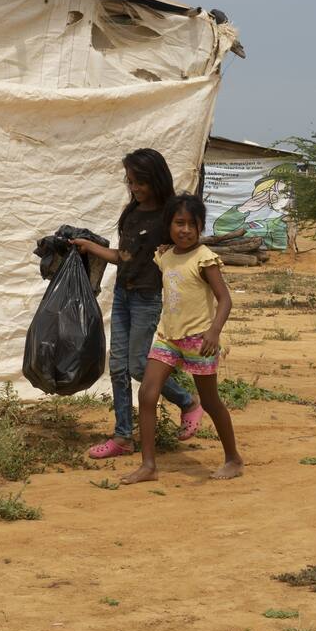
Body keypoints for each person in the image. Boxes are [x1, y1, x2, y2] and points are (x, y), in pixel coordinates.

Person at [70, 149, 203, 458]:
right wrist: (90, 247)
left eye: (139, 182)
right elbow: (123, 257)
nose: (134, 188)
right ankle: (123, 437)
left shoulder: (170, 216)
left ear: (155, 179)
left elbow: (186, 248)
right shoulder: (131, 213)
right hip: (124, 295)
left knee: (139, 365)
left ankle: (188, 403)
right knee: (117, 367)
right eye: (130, 182)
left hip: (148, 297)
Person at [122, 193, 243, 483]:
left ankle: (233, 459)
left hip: (199, 341)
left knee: (211, 402)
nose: (185, 229)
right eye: (179, 223)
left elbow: (224, 300)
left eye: (192, 224)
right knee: (147, 394)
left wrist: (214, 331)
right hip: (168, 337)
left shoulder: (205, 258)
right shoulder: (164, 256)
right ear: (169, 225)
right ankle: (148, 465)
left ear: (201, 226)